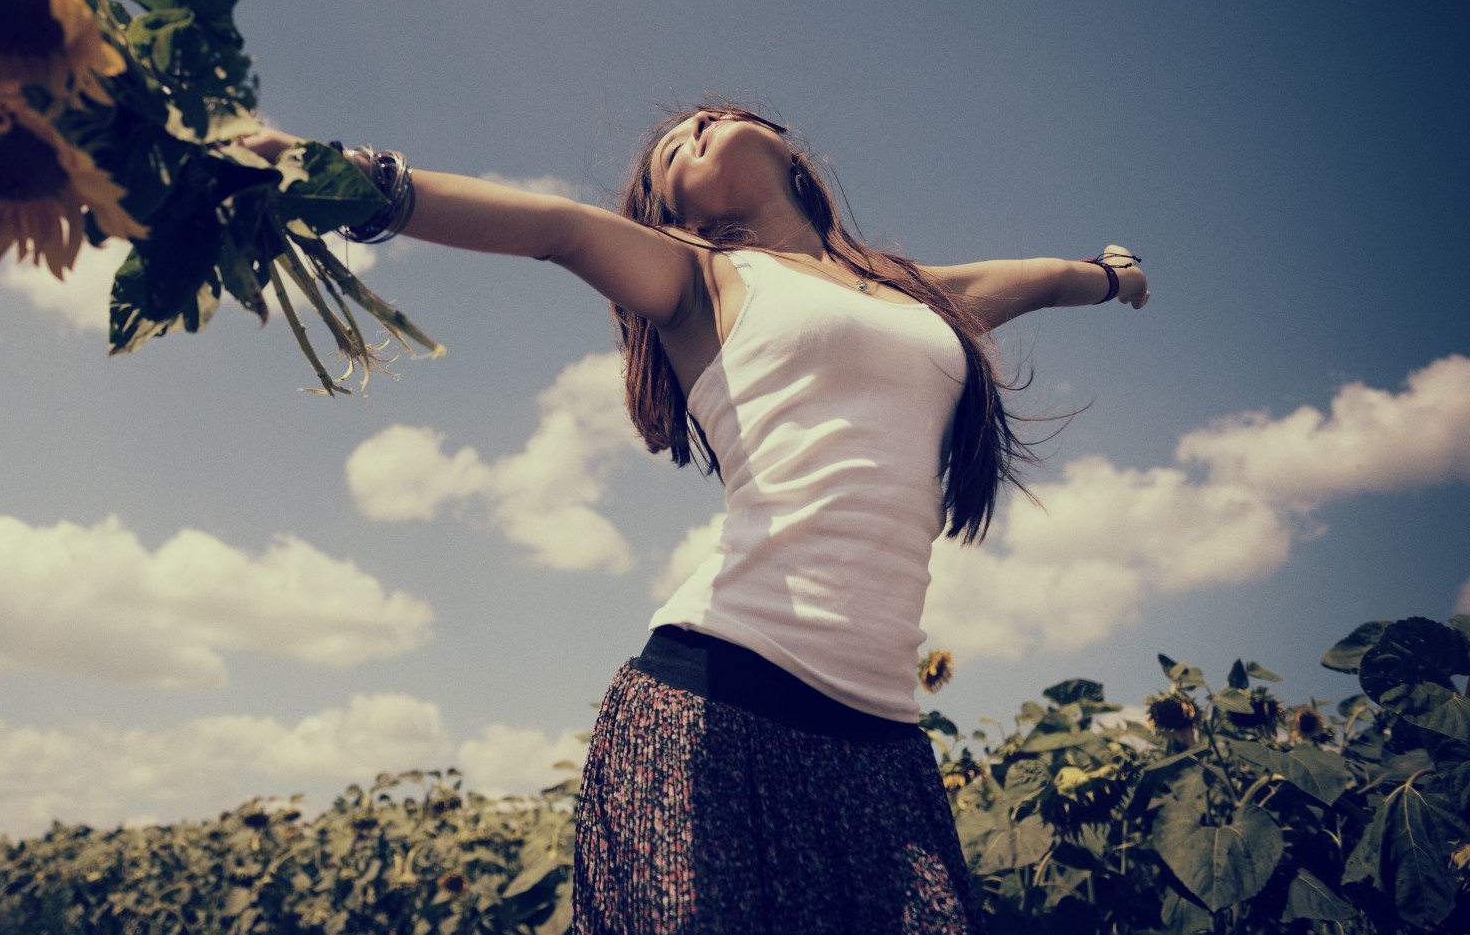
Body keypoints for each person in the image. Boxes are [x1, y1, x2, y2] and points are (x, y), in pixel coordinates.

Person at [245, 103, 1148, 933]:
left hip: (882, 746)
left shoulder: (913, 294)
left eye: (717, 116)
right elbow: (554, 229)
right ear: (671, 215)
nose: (697, 125)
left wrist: (1107, 277)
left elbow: (1027, 280)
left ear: (794, 152)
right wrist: (320, 173)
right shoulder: (702, 278)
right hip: (715, 709)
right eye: (672, 146)